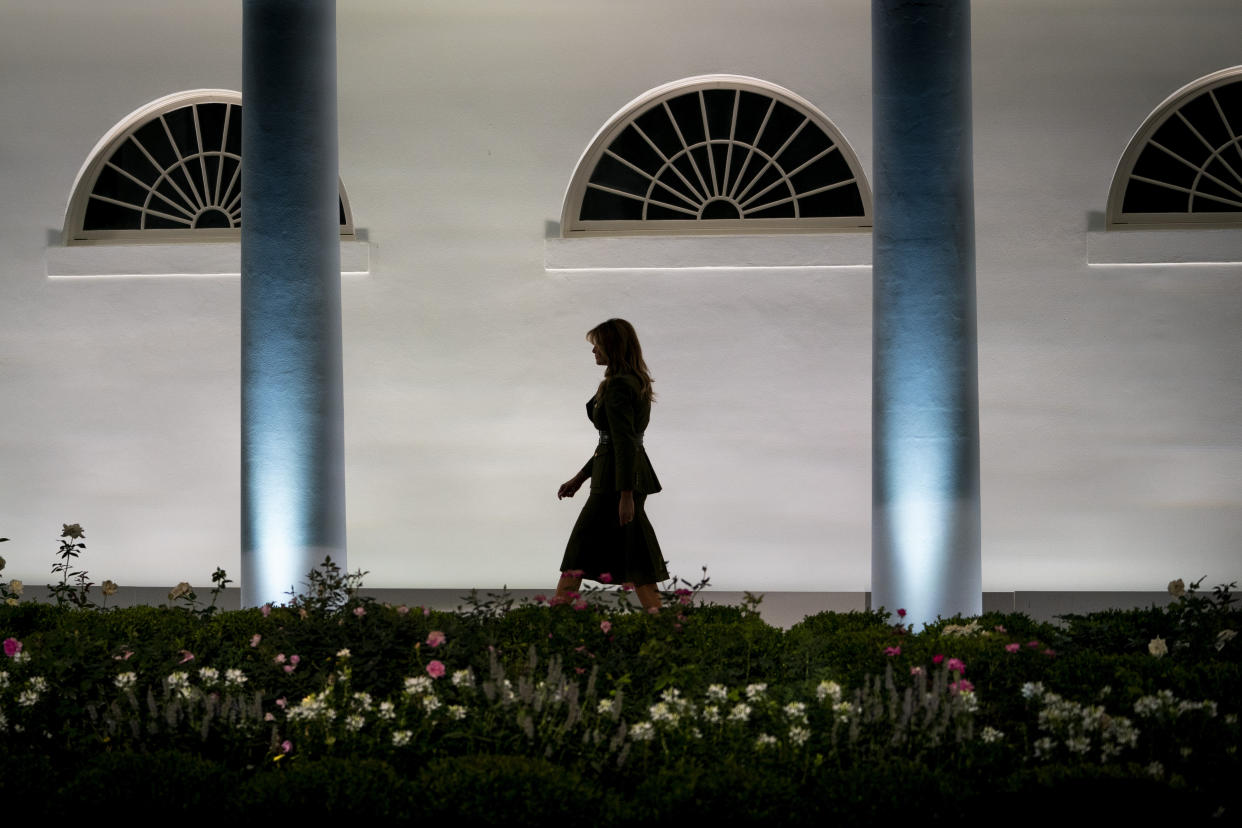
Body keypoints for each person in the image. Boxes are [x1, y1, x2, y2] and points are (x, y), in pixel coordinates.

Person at [555, 319, 667, 611]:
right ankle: (662, 620)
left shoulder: (619, 386)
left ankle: (556, 616)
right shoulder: (630, 380)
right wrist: (580, 478)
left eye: (598, 344)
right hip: (618, 477)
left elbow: (624, 443)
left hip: (615, 484)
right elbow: (614, 443)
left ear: (613, 347)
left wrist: (626, 495)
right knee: (634, 550)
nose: (593, 350)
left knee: (580, 550)